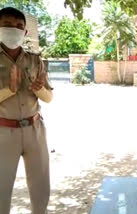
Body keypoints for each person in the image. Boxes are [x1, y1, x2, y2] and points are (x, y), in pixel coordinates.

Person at [0, 7, 53, 214]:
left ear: (25, 33)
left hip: (34, 129)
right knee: (2, 190)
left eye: (19, 26)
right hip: (4, 132)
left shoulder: (34, 60)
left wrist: (39, 89)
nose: (13, 30)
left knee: (41, 189)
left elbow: (49, 98)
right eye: (7, 25)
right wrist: (9, 89)